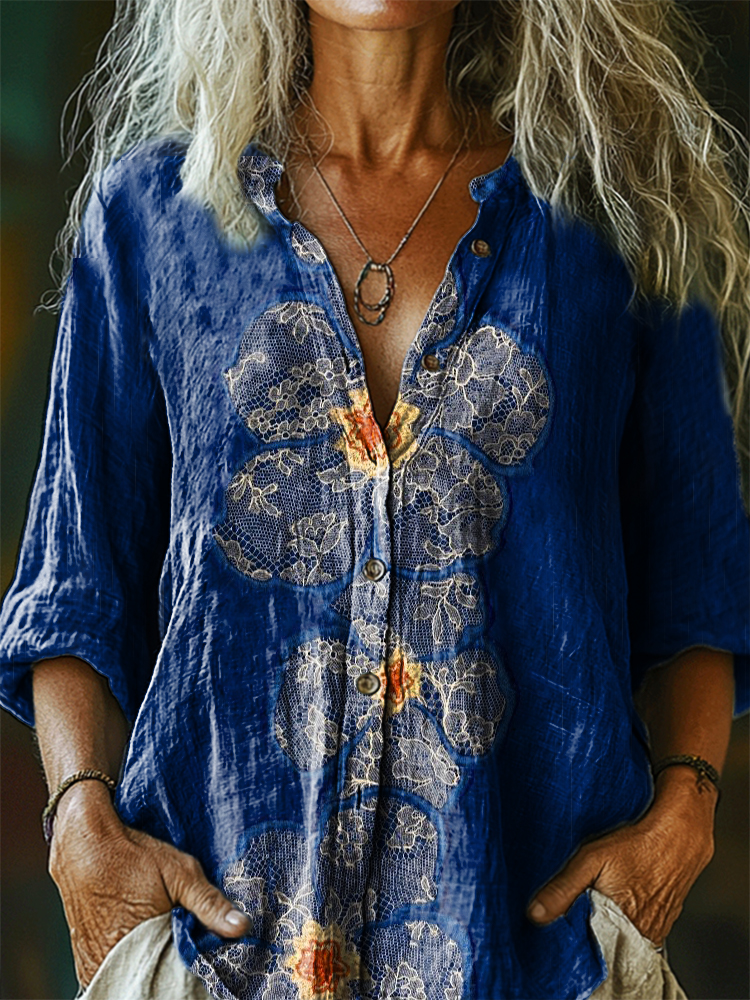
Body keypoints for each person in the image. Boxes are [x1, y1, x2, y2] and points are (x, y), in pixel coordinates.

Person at [1, 0, 749, 998]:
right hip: (219, 964)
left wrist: (688, 807)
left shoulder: (618, 213)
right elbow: (74, 585)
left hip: (542, 965)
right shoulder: (151, 216)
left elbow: (698, 580)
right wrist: (80, 821)